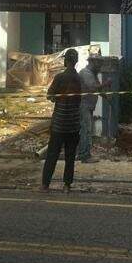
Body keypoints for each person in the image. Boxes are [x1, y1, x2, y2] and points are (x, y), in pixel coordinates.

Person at [40, 49, 82, 192]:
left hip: (59, 124)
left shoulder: (59, 78)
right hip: (74, 125)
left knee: (52, 155)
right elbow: (80, 100)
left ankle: (45, 185)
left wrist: (57, 98)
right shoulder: (79, 79)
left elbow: (49, 95)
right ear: (76, 61)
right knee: (70, 157)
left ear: (66, 61)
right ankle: (67, 185)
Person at [77, 49, 102, 163]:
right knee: (86, 130)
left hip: (89, 106)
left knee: (87, 130)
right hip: (83, 106)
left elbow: (98, 88)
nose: (100, 66)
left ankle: (84, 153)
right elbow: (92, 87)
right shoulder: (86, 73)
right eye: (98, 63)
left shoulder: (93, 74)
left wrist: (106, 97)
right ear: (92, 62)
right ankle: (84, 155)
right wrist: (106, 84)